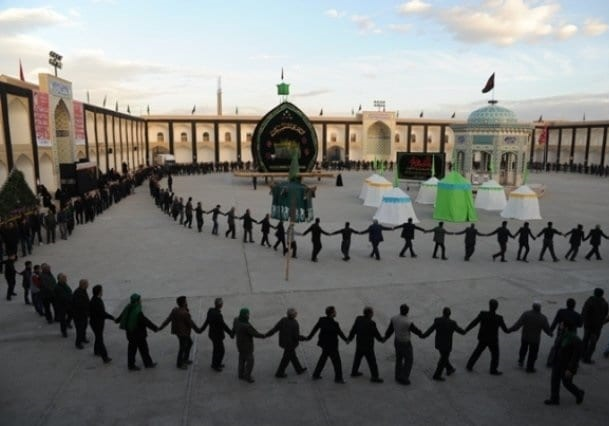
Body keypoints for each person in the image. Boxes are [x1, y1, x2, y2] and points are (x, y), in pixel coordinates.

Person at [465, 299, 510, 375]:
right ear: (496, 307)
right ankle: (493, 370)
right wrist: (512, 329)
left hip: (483, 337)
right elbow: (505, 330)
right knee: (495, 355)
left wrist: (466, 330)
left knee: (477, 351)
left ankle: (469, 365)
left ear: (489, 306)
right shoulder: (499, 318)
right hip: (493, 340)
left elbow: (474, 323)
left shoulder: (483, 314)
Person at [544, 324, 585, 406]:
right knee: (555, 381)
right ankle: (554, 399)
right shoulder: (563, 335)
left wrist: (570, 369)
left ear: (567, 327)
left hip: (566, 366)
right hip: (557, 363)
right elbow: (556, 348)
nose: (560, 326)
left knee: (567, 383)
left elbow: (575, 358)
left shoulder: (576, 341)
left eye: (562, 325)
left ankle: (579, 393)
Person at [116, 293, 159, 371]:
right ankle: (148, 364)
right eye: (140, 300)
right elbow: (146, 321)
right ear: (137, 301)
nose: (141, 301)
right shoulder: (137, 312)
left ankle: (131, 365)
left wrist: (116, 320)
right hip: (139, 335)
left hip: (130, 334)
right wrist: (155, 328)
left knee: (131, 350)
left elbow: (122, 316)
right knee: (144, 350)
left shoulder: (128, 307)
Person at [421, 307, 466, 381]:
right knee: (443, 360)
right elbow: (461, 331)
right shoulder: (452, 323)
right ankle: (437, 375)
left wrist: (423, 335)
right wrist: (465, 331)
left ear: (443, 313)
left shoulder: (437, 320)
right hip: (447, 345)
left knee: (444, 357)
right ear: (450, 314)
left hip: (439, 344)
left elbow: (430, 329)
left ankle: (449, 368)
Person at [384, 304, 424, 385]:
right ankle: (404, 377)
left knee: (399, 359)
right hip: (405, 343)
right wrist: (421, 334)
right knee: (409, 360)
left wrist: (385, 338)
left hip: (397, 341)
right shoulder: (408, 322)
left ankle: (398, 375)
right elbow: (415, 330)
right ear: (407, 311)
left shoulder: (394, 318)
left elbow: (390, 330)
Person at [307, 306, 349, 383]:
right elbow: (340, 333)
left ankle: (316, 374)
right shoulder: (335, 324)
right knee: (337, 363)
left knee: (323, 359)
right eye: (335, 312)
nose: (336, 312)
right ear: (332, 314)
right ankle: (338, 378)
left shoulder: (322, 320)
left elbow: (315, 329)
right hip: (332, 346)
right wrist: (346, 340)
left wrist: (309, 337)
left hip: (324, 344)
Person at [159, 296, 202, 369]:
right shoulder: (184, 313)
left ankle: (185, 359)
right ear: (184, 303)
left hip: (178, 332)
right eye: (186, 301)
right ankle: (180, 364)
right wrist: (198, 330)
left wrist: (161, 327)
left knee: (189, 343)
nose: (187, 302)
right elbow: (191, 323)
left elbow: (168, 320)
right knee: (182, 347)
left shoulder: (175, 310)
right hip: (183, 333)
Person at [508, 302, 552, 373]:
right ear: (540, 309)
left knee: (523, 349)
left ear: (532, 307)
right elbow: (546, 328)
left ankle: (521, 360)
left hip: (525, 336)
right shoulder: (543, 318)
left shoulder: (526, 314)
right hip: (535, 339)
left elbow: (518, 324)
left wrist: (510, 330)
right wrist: (550, 333)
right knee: (533, 353)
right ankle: (530, 367)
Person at [265, 308, 307, 378]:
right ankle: (279, 373)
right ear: (293, 315)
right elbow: (296, 337)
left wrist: (266, 335)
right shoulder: (295, 324)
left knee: (293, 356)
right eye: (295, 313)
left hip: (284, 343)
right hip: (290, 344)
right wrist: (304, 338)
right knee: (285, 359)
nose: (296, 314)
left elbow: (275, 329)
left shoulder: (283, 320)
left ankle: (299, 369)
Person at [347, 307, 384, 383]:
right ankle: (375, 377)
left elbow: (353, 330)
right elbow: (376, 334)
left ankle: (354, 372)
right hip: (368, 346)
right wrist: (381, 339)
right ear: (370, 314)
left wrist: (349, 339)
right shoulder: (371, 323)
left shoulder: (358, 319)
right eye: (372, 313)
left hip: (359, 344)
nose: (373, 314)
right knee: (372, 362)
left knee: (357, 359)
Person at [232, 308, 265, 383]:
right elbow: (255, 334)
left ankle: (240, 374)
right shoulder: (246, 326)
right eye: (247, 314)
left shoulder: (236, 320)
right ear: (245, 315)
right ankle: (247, 376)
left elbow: (233, 329)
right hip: (247, 347)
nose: (248, 315)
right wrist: (263, 335)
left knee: (241, 359)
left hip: (239, 345)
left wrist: (232, 334)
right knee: (250, 361)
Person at [547, 298, 582, 367]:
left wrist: (550, 330)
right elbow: (580, 325)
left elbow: (555, 321)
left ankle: (550, 361)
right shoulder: (577, 315)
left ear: (566, 304)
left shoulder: (561, 311)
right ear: (574, 306)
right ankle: (571, 362)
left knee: (557, 345)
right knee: (571, 347)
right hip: (572, 333)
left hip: (561, 331)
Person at [201, 297, 234, 371]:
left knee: (216, 350)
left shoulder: (210, 311)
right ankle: (216, 365)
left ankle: (215, 363)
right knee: (221, 351)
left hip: (212, 335)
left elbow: (207, 321)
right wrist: (231, 333)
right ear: (220, 305)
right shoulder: (218, 315)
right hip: (217, 336)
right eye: (222, 303)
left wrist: (201, 329)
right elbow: (223, 325)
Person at [580, 288, 609, 364]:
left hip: (588, 325)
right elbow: (605, 315)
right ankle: (587, 358)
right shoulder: (605, 303)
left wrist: (582, 321)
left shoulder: (589, 301)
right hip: (597, 327)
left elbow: (584, 312)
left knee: (585, 340)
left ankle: (582, 355)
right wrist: (602, 322)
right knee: (593, 343)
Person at [89, 284, 114, 363]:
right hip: (97, 323)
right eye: (101, 290)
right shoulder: (96, 301)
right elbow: (102, 313)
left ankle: (96, 351)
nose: (103, 292)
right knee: (100, 339)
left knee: (98, 336)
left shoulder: (94, 299)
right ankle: (105, 357)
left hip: (96, 322)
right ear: (99, 292)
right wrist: (112, 318)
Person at [71, 279, 91, 349]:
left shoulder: (83, 291)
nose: (88, 285)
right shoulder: (78, 293)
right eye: (87, 284)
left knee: (84, 327)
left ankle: (83, 338)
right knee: (80, 329)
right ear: (83, 285)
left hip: (83, 315)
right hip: (79, 315)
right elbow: (79, 305)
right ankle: (78, 343)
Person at [54, 273, 73, 338]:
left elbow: (69, 292)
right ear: (59, 279)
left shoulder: (65, 284)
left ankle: (68, 323)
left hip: (68, 304)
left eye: (65, 278)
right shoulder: (57, 287)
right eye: (64, 278)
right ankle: (64, 331)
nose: (66, 279)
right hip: (61, 306)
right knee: (62, 319)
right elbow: (62, 297)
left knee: (71, 314)